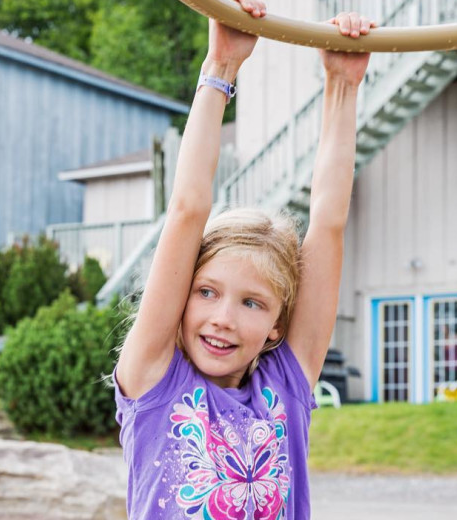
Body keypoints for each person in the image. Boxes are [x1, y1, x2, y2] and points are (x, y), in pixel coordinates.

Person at [114, 2, 375, 518]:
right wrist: (221, 67)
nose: (223, 318)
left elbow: (326, 224)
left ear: (278, 325)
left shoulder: (285, 387)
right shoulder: (155, 383)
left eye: (253, 303)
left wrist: (343, 85)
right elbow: (188, 208)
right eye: (206, 291)